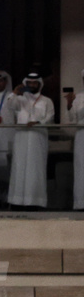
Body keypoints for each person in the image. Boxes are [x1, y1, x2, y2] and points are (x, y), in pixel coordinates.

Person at [7, 71, 54, 209]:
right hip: (21, 137)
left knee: (35, 170)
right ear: (25, 83)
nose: (32, 85)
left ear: (40, 84)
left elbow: (50, 119)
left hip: (37, 138)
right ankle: (17, 202)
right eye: (29, 83)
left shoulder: (47, 101)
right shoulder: (19, 99)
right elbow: (9, 106)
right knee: (19, 168)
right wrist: (15, 93)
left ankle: (35, 202)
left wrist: (38, 122)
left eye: (35, 83)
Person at [67, 71, 84, 210]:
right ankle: (81, 203)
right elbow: (72, 118)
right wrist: (69, 103)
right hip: (81, 136)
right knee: (81, 168)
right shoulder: (78, 97)